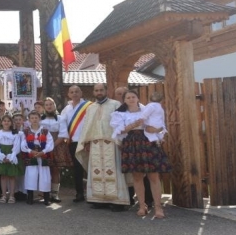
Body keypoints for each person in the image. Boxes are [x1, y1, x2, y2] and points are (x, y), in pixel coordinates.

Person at [112, 90, 171, 219]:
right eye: (128, 97)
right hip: (132, 143)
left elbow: (160, 124)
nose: (131, 99)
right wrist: (135, 124)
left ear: (138, 98)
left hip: (147, 142)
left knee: (153, 176)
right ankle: (142, 206)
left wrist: (157, 130)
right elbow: (120, 130)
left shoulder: (148, 110)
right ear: (125, 100)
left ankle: (158, 207)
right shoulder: (120, 113)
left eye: (133, 96)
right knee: (137, 177)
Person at [76, 83, 128, 211]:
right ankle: (99, 199)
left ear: (106, 90)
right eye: (96, 90)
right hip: (95, 144)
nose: (99, 92)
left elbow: (122, 123)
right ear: (94, 92)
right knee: (96, 171)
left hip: (112, 143)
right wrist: (86, 142)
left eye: (101, 90)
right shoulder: (91, 108)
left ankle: (117, 201)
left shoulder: (115, 104)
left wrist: (122, 141)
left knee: (114, 170)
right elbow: (87, 126)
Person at [57, 85, 92, 202]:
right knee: (77, 169)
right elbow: (62, 126)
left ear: (81, 93)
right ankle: (79, 193)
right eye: (72, 92)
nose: (74, 94)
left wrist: (89, 140)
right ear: (69, 94)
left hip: (86, 141)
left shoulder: (89, 106)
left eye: (77, 91)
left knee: (90, 167)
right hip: (72, 142)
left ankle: (94, 194)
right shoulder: (66, 109)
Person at [22, 111, 54, 205]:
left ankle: (46, 198)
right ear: (29, 120)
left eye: (36, 118)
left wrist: (43, 152)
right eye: (32, 118)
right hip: (31, 155)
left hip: (43, 155)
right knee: (31, 175)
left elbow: (50, 143)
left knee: (45, 176)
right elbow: (23, 144)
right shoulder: (26, 131)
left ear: (39, 119)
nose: (34, 120)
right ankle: (30, 197)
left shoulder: (45, 131)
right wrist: (30, 151)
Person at [42, 98, 67, 203]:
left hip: (57, 145)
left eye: (51, 104)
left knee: (55, 170)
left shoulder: (61, 118)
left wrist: (52, 145)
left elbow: (63, 134)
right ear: (44, 107)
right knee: (45, 170)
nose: (49, 106)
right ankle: (45, 192)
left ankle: (55, 193)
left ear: (54, 105)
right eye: (47, 104)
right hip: (43, 146)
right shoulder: (40, 119)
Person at [0, 114, 22, 204]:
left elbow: (17, 146)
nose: (6, 122)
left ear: (11, 123)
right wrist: (0, 155)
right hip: (1, 154)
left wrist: (11, 156)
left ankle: (12, 195)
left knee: (12, 176)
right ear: (2, 122)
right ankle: (4, 195)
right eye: (4, 121)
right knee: (3, 176)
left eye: (8, 121)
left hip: (11, 154)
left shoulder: (15, 134)